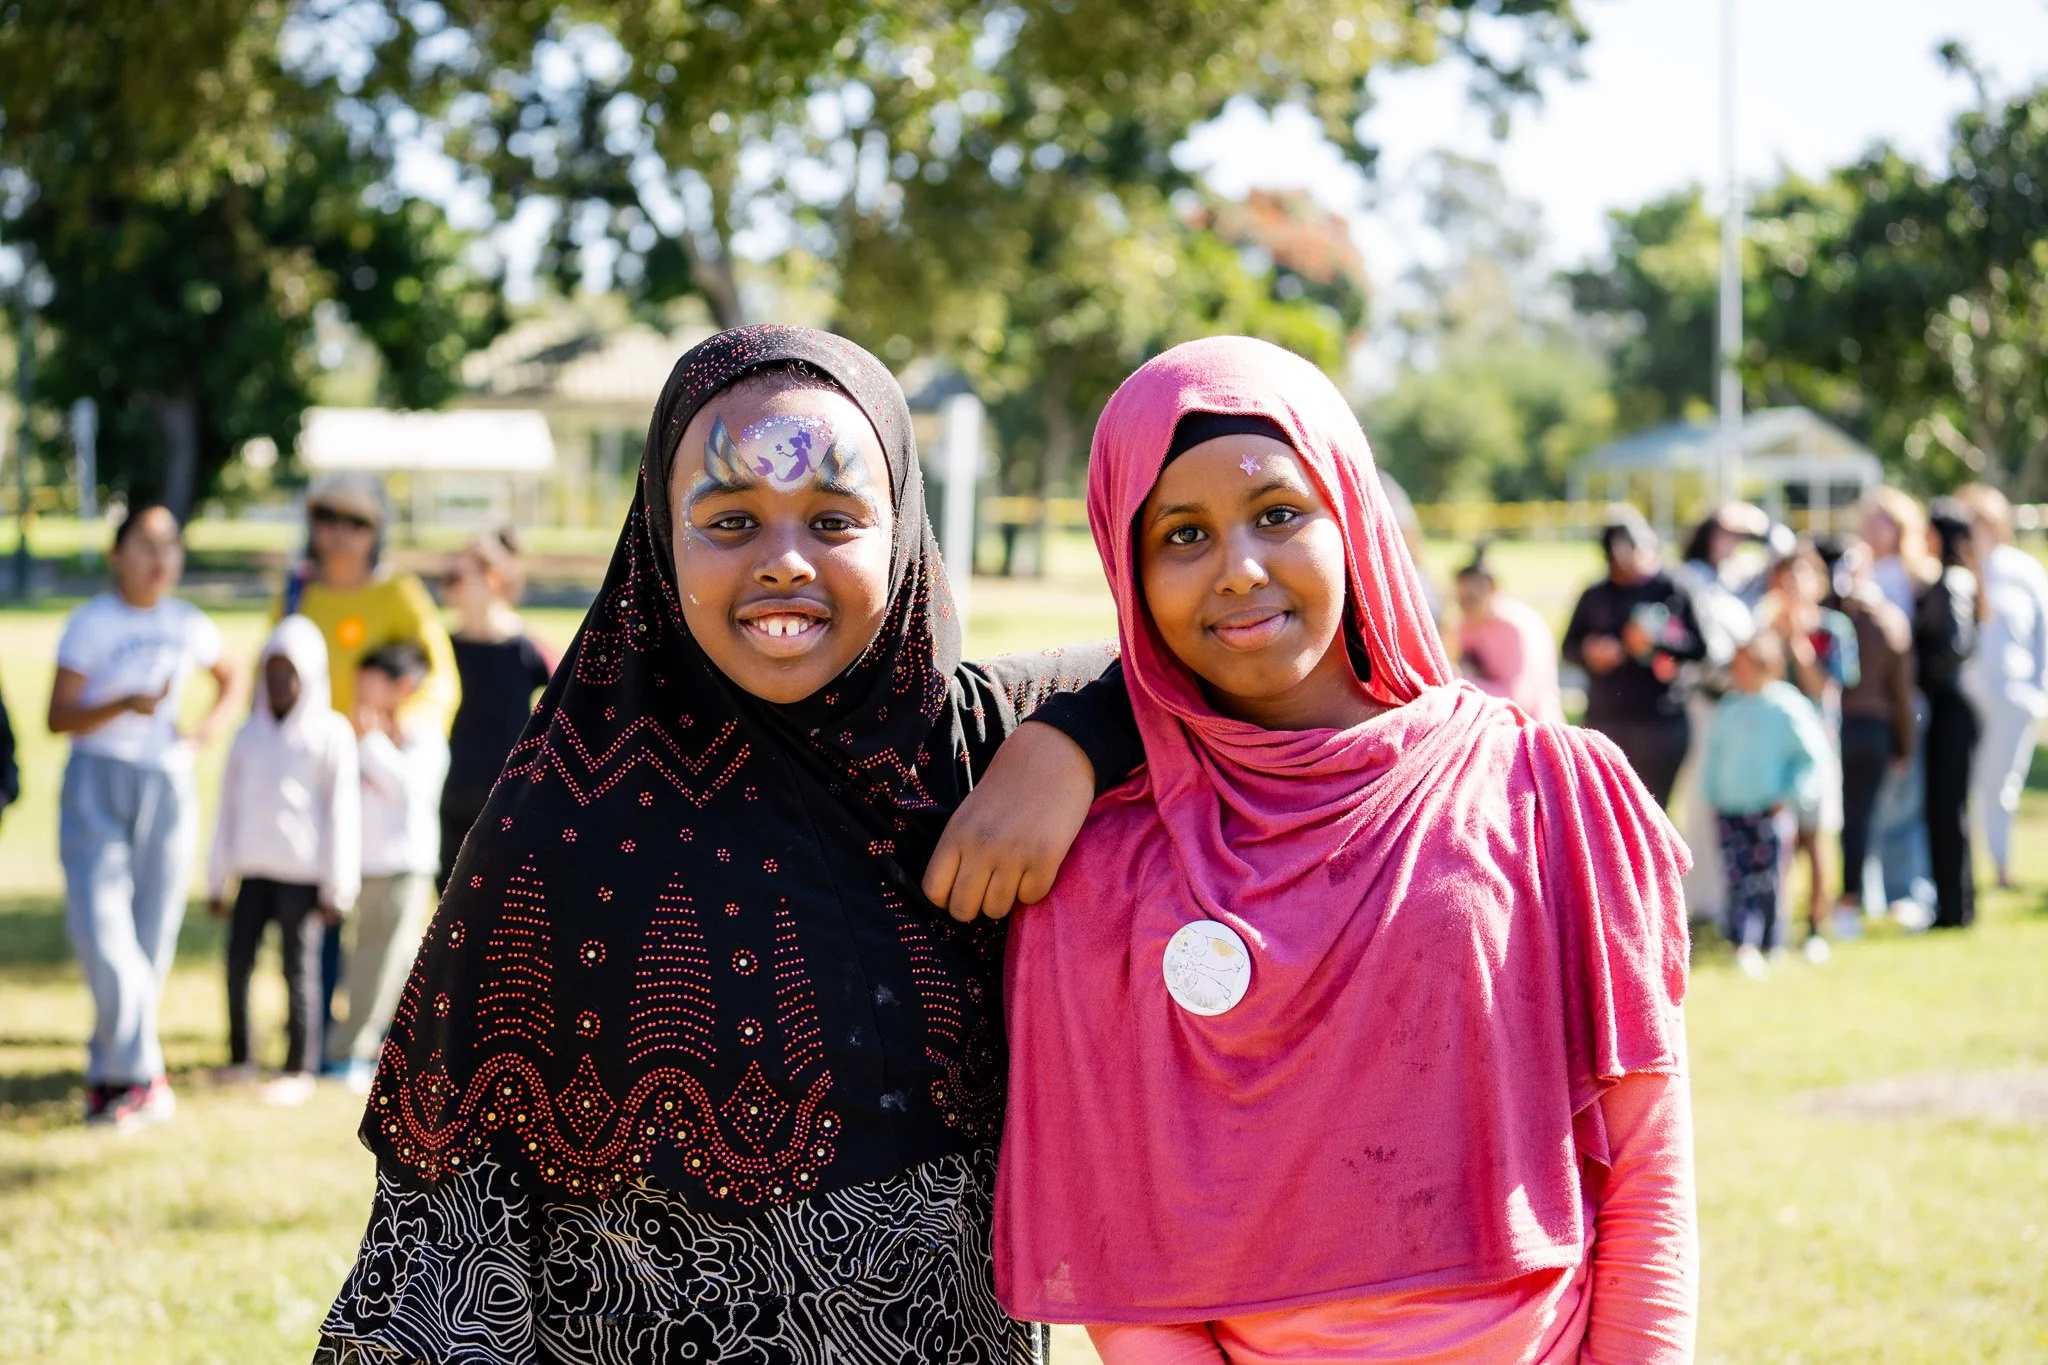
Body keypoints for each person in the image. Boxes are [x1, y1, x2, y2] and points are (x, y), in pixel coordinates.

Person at [315, 325, 1142, 1363]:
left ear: (902, 531)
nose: (784, 562)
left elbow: (1226, 652)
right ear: (660, 543)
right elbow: (439, 1269)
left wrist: (1071, 743)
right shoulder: (561, 824)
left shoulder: (977, 748)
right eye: (731, 520)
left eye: (835, 519)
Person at [998, 338, 1696, 1364]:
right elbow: (1126, 1271)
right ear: (1127, 572)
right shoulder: (1097, 868)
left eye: (1278, 513)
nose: (1238, 568)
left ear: (1353, 519)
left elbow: (1645, 1165)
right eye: (1180, 535)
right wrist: (1057, 744)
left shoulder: (1549, 788)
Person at [47, 504, 239, 1127]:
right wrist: (123, 703)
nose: (161, 558)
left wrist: (202, 733)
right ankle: (144, 1077)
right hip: (96, 781)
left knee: (151, 939)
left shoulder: (187, 622)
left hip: (168, 785)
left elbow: (231, 677)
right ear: (116, 554)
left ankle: (110, 1077)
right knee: (103, 934)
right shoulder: (91, 623)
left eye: (171, 544)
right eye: (146, 544)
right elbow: (59, 715)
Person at [280, 475, 458, 1050]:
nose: (340, 534)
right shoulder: (296, 592)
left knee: (381, 917)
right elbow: (272, 670)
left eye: (356, 522)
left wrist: (406, 728)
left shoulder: (400, 593)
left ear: (377, 532)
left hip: (375, 779)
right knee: (319, 909)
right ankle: (312, 1023)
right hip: (310, 775)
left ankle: (367, 1027)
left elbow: (439, 676)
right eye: (328, 518)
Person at [209, 616, 360, 1107]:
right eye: (270, 672)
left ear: (310, 675)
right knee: (237, 964)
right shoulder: (246, 736)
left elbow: (343, 814)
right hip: (253, 872)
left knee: (300, 971)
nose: (278, 683)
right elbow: (225, 811)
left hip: (302, 876)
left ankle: (299, 1067)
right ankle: (240, 1057)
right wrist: (217, 880)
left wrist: (338, 887)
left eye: (288, 673)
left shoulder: (331, 734)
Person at [324, 642, 449, 1091]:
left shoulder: (423, 735)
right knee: (375, 958)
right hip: (368, 865)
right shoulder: (362, 738)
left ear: (403, 687)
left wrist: (372, 740)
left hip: (403, 865)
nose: (360, 691)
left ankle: (353, 1051)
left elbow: (406, 790)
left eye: (371, 681)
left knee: (385, 961)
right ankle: (366, 1046)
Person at [1698, 632, 1831, 979]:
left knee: (1769, 879)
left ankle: (1772, 941)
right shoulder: (1728, 707)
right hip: (1731, 809)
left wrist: (1789, 797)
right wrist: (1711, 794)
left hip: (1769, 811)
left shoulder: (1787, 706)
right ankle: (1743, 941)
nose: (1738, 673)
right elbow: (1714, 756)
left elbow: (1809, 759)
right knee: (1736, 877)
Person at [1562, 506, 1708, 807]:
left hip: (1660, 720)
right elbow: (1569, 648)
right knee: (1604, 812)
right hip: (1607, 718)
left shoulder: (1671, 588)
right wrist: (1592, 652)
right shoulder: (1597, 594)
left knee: (1653, 810)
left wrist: (1657, 644)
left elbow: (1699, 648)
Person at [1753, 543, 1858, 959]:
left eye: (1802, 577)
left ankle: (1816, 924)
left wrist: (1796, 639)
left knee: (1817, 839)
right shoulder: (1765, 630)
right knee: (1777, 841)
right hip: (1771, 749)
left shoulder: (1833, 630)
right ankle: (1772, 926)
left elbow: (1823, 686)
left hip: (1816, 748)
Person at [436, 528, 556, 886]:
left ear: (491, 579)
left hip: (507, 801)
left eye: (457, 576)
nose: (447, 586)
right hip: (450, 794)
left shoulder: (528, 650)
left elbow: (575, 708)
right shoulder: (442, 648)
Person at [1671, 505, 1768, 928]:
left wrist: (1757, 524)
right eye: (1727, 533)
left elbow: (1780, 550)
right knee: (1703, 797)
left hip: (1735, 703)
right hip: (1706, 701)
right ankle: (1701, 897)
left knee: (1730, 797)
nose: (1735, 542)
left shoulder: (1734, 578)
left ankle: (1725, 893)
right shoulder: (1692, 577)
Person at [1816, 535, 1916, 933]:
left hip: (1841, 727)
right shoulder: (1886, 618)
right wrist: (1904, 743)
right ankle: (1847, 901)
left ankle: (1844, 902)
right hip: (1870, 730)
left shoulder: (1824, 614)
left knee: (1839, 820)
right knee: (1860, 819)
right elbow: (1901, 693)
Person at [1954, 484, 2048, 889]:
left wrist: (2039, 690)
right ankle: (1966, 866)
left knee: (2001, 782)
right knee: (1967, 780)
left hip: (2014, 694)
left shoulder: (2023, 570)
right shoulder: (1959, 572)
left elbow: (2042, 632)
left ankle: (2001, 865)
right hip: (1968, 693)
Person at [1859, 487, 1939, 921]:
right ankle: (1871, 892)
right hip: (1871, 705)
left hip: (1904, 702)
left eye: (1884, 519)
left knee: (1904, 800)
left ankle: (1907, 891)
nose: (1874, 529)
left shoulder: (1913, 578)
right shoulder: (1863, 576)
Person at [1917, 500, 1982, 930]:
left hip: (1951, 709)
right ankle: (1955, 904)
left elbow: (1958, 644)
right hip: (1947, 707)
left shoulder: (1954, 581)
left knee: (1947, 810)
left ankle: (1954, 909)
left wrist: (1921, 673)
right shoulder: (1950, 580)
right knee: (1943, 810)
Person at [1452, 542, 1563, 723]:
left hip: (1534, 733)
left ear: (1491, 588)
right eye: (1460, 600)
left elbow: (1519, 698)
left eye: (1471, 599)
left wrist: (1461, 681)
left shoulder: (1516, 627)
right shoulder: (1467, 626)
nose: (1465, 607)